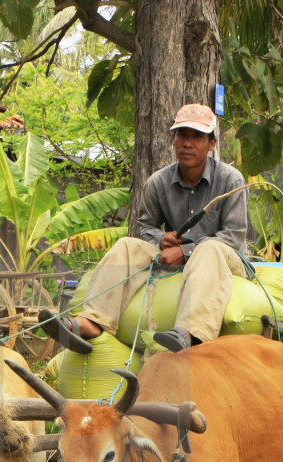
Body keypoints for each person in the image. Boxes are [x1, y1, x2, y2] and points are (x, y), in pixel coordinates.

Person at [40, 103, 249, 354]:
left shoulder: (231, 180)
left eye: (197, 137)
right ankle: (92, 320)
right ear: (173, 139)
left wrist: (186, 252)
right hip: (175, 255)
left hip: (225, 259)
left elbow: (234, 237)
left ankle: (189, 332)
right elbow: (145, 226)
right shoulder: (158, 182)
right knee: (126, 245)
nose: (187, 143)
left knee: (210, 248)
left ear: (212, 144)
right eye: (182, 135)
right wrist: (162, 239)